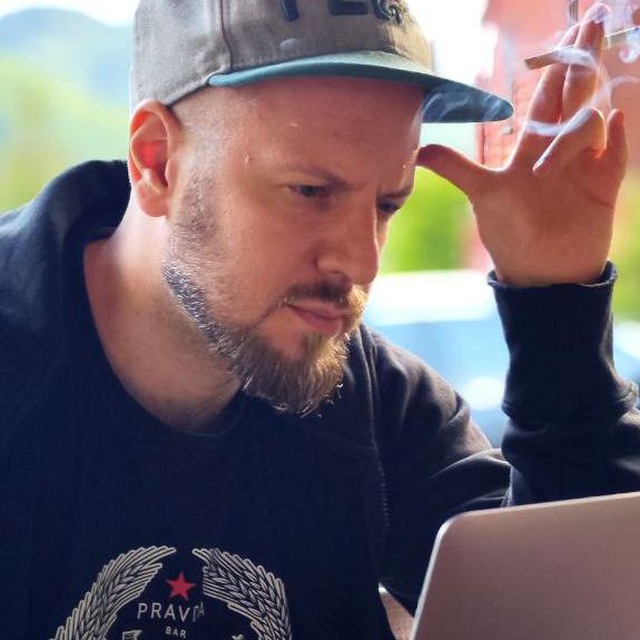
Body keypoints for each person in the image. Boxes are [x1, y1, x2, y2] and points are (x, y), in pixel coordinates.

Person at [1, 1, 639, 638]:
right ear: (158, 162)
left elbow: (559, 611)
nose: (361, 261)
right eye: (311, 192)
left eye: (387, 204)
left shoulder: (377, 402)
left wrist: (556, 304)